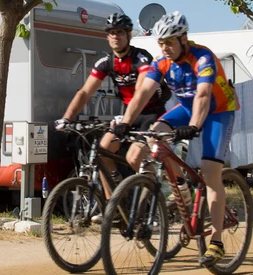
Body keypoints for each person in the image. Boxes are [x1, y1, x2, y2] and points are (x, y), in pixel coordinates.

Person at [121, 10, 240, 267]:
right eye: (161, 43)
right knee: (155, 136)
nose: (165, 48)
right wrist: (123, 124)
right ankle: (181, 188)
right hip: (186, 107)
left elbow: (204, 95)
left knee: (210, 172)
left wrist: (195, 126)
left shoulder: (203, 57)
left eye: (170, 42)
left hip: (218, 111)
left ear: (184, 39)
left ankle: (217, 241)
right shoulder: (162, 62)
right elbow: (142, 93)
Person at [54, 12, 170, 189]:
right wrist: (67, 119)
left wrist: (124, 120)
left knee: (134, 158)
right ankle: (113, 206)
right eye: (112, 33)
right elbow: (85, 92)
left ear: (129, 35)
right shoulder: (106, 62)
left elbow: (141, 91)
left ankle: (156, 194)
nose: (116, 37)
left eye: (120, 32)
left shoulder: (141, 58)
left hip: (151, 115)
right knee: (102, 150)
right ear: (107, 37)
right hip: (128, 116)